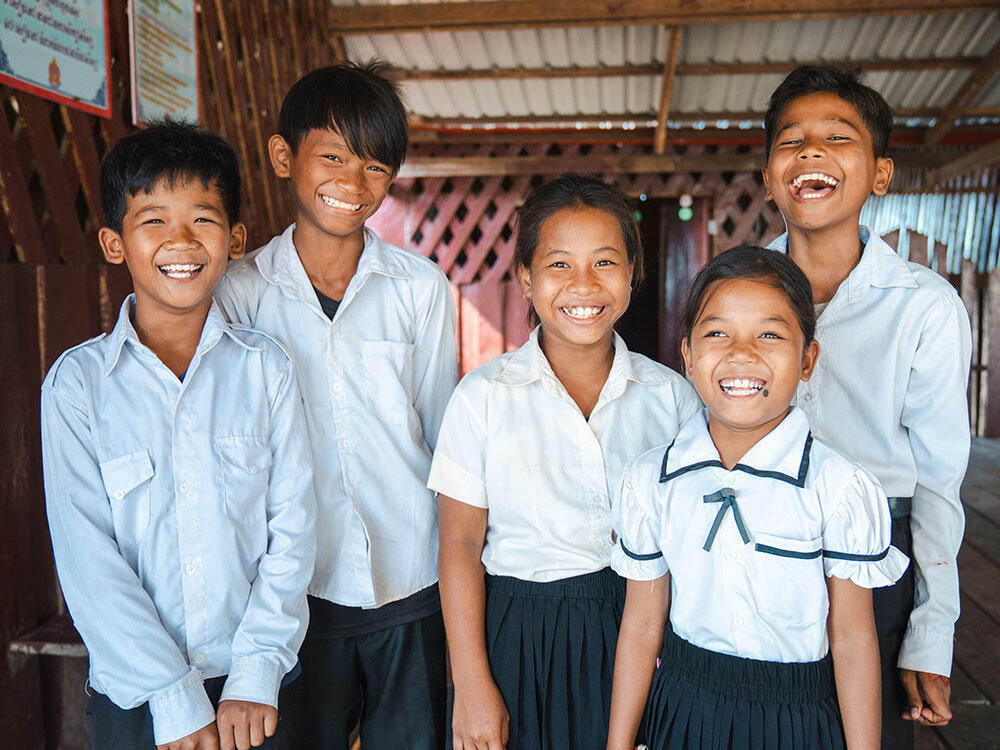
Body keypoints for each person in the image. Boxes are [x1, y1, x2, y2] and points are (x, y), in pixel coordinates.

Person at [41, 122, 316, 750]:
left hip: (257, 689)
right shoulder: (78, 386)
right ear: (115, 243)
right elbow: (88, 560)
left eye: (203, 219)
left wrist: (253, 671)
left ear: (236, 238)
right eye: (153, 222)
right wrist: (171, 693)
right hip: (137, 696)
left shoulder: (266, 369)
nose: (181, 242)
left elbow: (295, 528)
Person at [214, 62, 457, 749]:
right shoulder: (239, 294)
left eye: (376, 168)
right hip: (293, 597)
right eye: (333, 157)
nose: (352, 184)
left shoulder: (420, 289)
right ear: (283, 155)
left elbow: (442, 435)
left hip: (410, 581)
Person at [429, 174, 701, 750]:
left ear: (633, 273)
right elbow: (458, 544)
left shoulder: (672, 398)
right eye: (558, 265)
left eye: (605, 262)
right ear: (526, 278)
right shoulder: (483, 395)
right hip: (517, 636)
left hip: (639, 628)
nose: (583, 285)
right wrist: (472, 682)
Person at [607, 245, 909, 750]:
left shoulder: (838, 488)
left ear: (808, 358)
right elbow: (641, 624)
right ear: (686, 354)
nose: (741, 353)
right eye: (717, 333)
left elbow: (854, 638)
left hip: (799, 719)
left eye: (770, 334)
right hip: (683, 710)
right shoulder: (652, 481)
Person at [761, 64, 972, 747]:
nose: (811, 152)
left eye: (837, 138)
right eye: (791, 140)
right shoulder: (736, 296)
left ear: (880, 175)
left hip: (879, 555)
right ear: (770, 175)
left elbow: (939, 479)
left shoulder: (924, 305)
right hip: (756, 550)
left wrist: (931, 634)